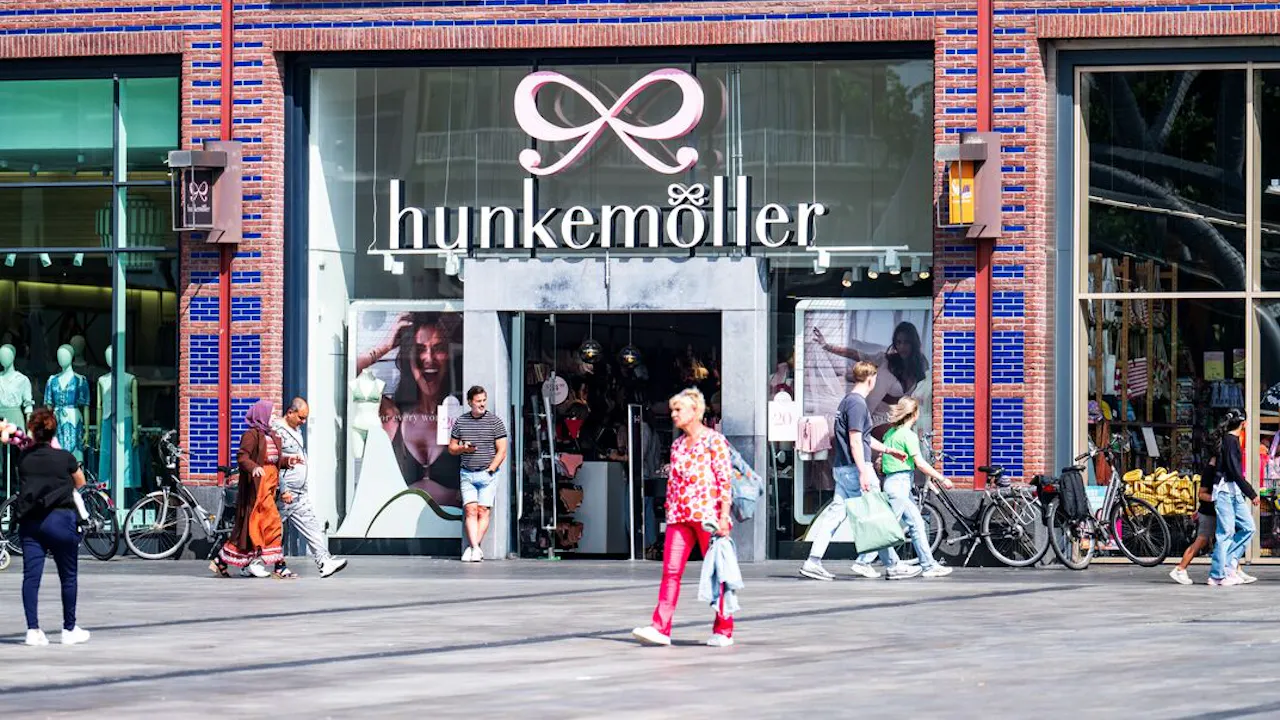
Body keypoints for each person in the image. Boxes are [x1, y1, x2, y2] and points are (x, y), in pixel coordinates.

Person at [633, 388, 735, 648]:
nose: (674, 414)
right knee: (671, 571)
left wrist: (724, 516)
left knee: (718, 572)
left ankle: (724, 629)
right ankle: (660, 627)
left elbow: (725, 480)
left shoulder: (714, 441)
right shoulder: (677, 445)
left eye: (678, 410)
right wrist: (669, 509)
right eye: (673, 410)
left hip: (708, 516)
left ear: (695, 411)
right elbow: (675, 482)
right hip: (679, 516)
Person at [800, 361, 920, 582]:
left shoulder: (847, 401)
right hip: (856, 469)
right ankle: (893, 566)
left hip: (842, 468)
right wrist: (863, 471)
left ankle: (813, 561)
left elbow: (863, 438)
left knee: (835, 515)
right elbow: (856, 441)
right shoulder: (857, 404)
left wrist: (889, 450)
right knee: (877, 516)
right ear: (871, 379)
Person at [4, 408, 90, 646]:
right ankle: (69, 629)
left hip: (31, 522)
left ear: (33, 430)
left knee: (31, 577)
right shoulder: (65, 457)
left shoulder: (24, 458)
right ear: (54, 431)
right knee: (68, 576)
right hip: (61, 520)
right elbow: (80, 481)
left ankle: (33, 630)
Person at [359, 311, 463, 508]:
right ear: (408, 358)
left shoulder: (461, 412)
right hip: (401, 525)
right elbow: (340, 375)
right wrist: (385, 346)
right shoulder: (392, 416)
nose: (428, 358)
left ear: (450, 356)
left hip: (454, 526)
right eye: (419, 349)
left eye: (438, 348)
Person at [215, 400, 297, 579]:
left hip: (270, 487)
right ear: (262, 415)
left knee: (253, 528)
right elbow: (242, 457)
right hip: (257, 488)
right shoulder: (251, 435)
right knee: (272, 523)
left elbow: (274, 461)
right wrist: (253, 468)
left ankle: (222, 560)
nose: (274, 417)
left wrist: (288, 461)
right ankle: (279, 566)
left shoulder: (273, 435)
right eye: (272, 414)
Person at [272, 397, 348, 579]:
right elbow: (275, 463)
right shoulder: (277, 431)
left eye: (306, 418)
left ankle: (324, 561)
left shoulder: (295, 430)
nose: (304, 422)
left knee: (311, 525)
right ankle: (250, 561)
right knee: (270, 529)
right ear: (290, 413)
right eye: (301, 417)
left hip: (299, 492)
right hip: (286, 493)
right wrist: (284, 489)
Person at [879, 397, 953, 578]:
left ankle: (929, 565)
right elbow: (920, 463)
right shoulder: (908, 435)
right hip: (900, 483)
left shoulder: (890, 434)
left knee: (917, 524)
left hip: (894, 482)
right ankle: (864, 562)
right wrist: (942, 478)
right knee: (886, 529)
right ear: (914, 414)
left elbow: (882, 460)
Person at [814, 321, 929, 425]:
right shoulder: (885, 360)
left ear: (914, 343)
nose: (902, 346)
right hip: (876, 416)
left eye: (906, 342)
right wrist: (827, 346)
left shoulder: (921, 364)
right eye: (898, 342)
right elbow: (854, 354)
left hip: (902, 418)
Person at [448, 386, 508, 563]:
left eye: (484, 400)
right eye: (478, 401)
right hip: (467, 474)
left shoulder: (495, 422)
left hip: (487, 474)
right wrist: (463, 449)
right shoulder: (461, 421)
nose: (482, 404)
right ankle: (475, 547)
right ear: (470, 402)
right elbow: (451, 448)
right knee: (470, 510)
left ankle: (473, 548)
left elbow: (502, 450)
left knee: (483, 511)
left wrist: (491, 469)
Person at [1208, 410, 1258, 587]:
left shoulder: (1232, 440)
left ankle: (1229, 565)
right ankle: (1217, 575)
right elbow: (1234, 471)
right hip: (1224, 491)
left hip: (1234, 491)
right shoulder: (1230, 441)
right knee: (1226, 533)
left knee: (1249, 527)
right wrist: (1251, 493)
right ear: (1244, 424)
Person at [1169, 468, 1216, 585]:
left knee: (1225, 539)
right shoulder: (1210, 470)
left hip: (1211, 511)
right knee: (1202, 540)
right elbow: (1201, 494)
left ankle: (1236, 570)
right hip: (1208, 512)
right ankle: (1180, 568)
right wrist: (1217, 498)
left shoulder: (1218, 469)